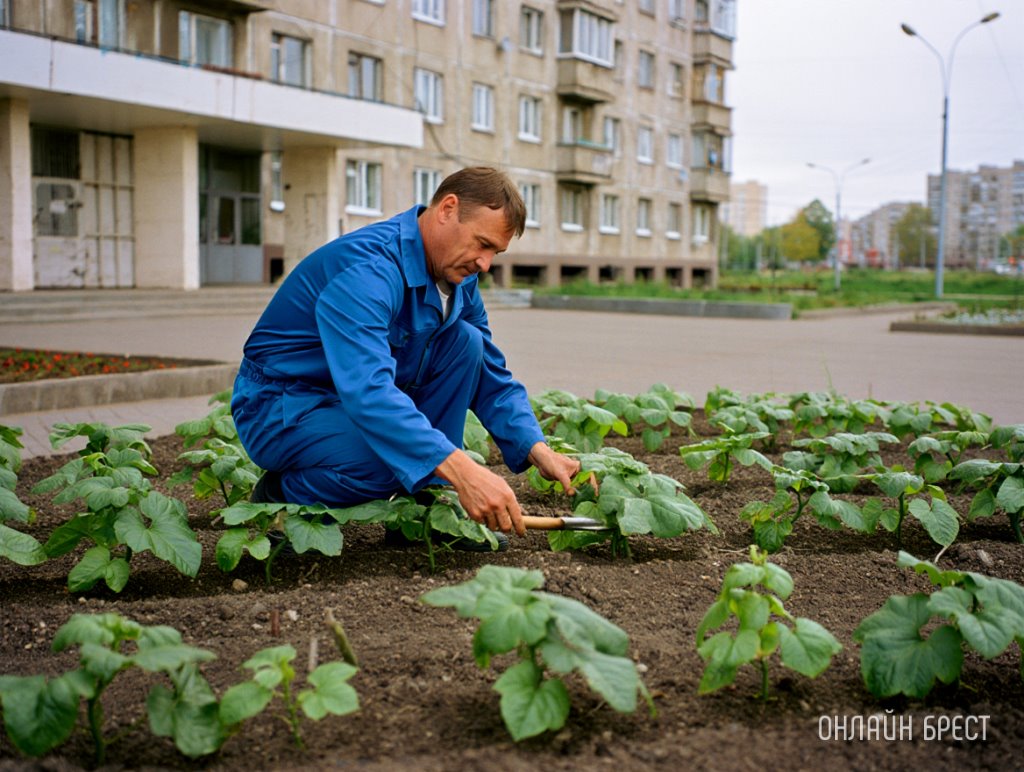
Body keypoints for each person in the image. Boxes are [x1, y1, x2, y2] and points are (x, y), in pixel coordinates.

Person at [231, 166, 580, 548]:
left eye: (495, 252)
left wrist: (535, 447)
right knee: (393, 461)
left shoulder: (459, 279)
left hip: (346, 402)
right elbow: (369, 392)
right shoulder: (369, 271)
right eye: (482, 244)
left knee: (466, 343)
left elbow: (490, 373)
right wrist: (462, 471)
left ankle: (424, 514)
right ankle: (281, 499)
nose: (485, 264)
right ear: (447, 209)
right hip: (282, 404)